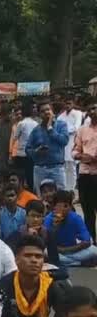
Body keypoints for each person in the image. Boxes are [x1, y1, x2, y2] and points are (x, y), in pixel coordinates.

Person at [44, 190, 97, 267]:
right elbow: (45, 242)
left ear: (70, 207)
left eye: (66, 206)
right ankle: (78, 263)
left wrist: (65, 250)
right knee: (45, 253)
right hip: (56, 251)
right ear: (54, 207)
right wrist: (54, 228)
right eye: (59, 206)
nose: (63, 209)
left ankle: (65, 262)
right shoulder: (48, 219)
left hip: (73, 250)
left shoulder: (76, 218)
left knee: (95, 251)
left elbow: (87, 241)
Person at [26, 103, 70, 192]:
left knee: (60, 195)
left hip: (57, 168)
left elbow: (64, 141)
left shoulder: (61, 125)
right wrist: (36, 151)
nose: (46, 112)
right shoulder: (36, 130)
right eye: (43, 111)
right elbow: (27, 149)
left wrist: (50, 129)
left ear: (52, 111)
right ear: (39, 115)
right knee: (40, 196)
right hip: (40, 169)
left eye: (48, 109)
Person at [73, 102, 97, 242]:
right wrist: (82, 156)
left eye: (95, 108)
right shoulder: (82, 130)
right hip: (85, 174)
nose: (93, 111)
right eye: (91, 108)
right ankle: (91, 241)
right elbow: (75, 150)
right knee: (87, 210)